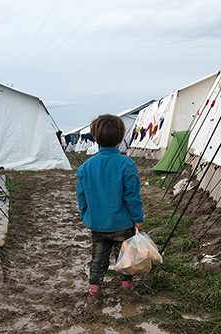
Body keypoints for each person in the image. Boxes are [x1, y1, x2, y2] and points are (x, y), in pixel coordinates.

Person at [76, 114, 144, 298]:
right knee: (125, 258)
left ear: (96, 139)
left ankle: (94, 290)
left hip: (97, 224)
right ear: (121, 138)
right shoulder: (127, 164)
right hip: (123, 224)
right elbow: (132, 196)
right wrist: (137, 218)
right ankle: (126, 287)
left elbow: (81, 197)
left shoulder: (85, 167)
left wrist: (86, 216)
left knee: (98, 258)